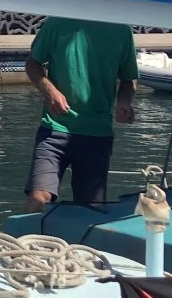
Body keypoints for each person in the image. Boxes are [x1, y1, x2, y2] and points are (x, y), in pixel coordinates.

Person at [23, 17, 138, 209]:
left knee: (90, 210)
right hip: (55, 129)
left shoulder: (122, 30)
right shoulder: (57, 23)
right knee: (39, 199)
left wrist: (124, 102)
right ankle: (18, 240)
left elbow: (129, 78)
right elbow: (32, 64)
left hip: (97, 134)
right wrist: (50, 91)